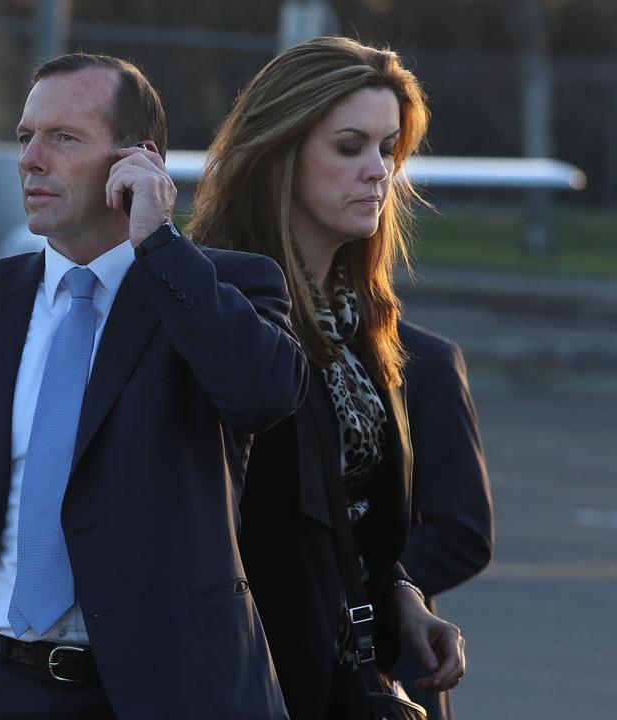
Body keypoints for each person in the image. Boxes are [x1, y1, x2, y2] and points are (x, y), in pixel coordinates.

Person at [0, 53, 307, 719]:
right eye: (25, 137)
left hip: (171, 691)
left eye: (64, 138)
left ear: (138, 161)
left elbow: (265, 393)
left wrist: (160, 242)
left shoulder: (220, 286)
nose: (31, 160)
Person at [188, 37, 466, 718]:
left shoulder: (363, 321)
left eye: (388, 150)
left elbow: (347, 514)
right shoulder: (213, 306)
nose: (378, 172)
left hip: (355, 681)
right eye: (350, 147)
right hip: (253, 684)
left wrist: (398, 596)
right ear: (279, 153)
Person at [391, 320, 494, 720]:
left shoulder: (424, 361)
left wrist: (376, 581)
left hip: (390, 673)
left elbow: (463, 533)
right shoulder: (254, 346)